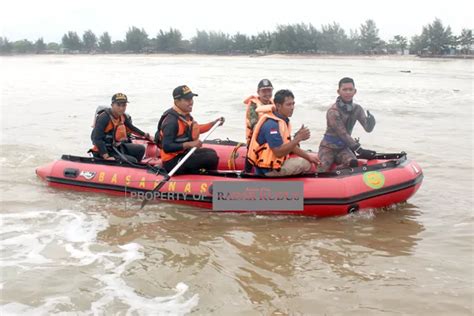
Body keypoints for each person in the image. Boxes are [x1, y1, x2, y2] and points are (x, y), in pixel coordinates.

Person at [247, 89, 320, 177]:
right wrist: (298, 139)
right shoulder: (272, 125)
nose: (292, 107)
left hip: (273, 164)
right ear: (278, 106)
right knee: (306, 163)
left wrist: (308, 156)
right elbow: (278, 152)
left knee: (306, 159)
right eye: (288, 104)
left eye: (293, 104)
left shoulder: (281, 120)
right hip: (268, 169)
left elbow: (287, 144)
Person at [155, 85, 224, 174]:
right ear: (177, 101)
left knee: (211, 152)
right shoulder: (171, 122)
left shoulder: (184, 115)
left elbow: (193, 130)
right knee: (210, 157)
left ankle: (205, 175)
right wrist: (189, 144)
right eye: (187, 100)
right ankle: (206, 179)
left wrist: (212, 124)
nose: (191, 102)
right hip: (172, 162)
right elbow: (167, 147)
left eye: (191, 99)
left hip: (182, 154)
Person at [318, 77, 377, 172]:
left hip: (343, 148)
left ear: (355, 91)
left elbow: (367, 129)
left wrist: (371, 123)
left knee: (353, 163)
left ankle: (337, 176)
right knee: (322, 169)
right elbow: (343, 133)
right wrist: (360, 150)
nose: (348, 92)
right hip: (328, 147)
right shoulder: (333, 111)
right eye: (345, 89)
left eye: (350, 89)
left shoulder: (357, 109)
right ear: (338, 91)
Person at [90, 93, 152, 163]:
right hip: (104, 151)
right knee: (132, 160)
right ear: (112, 105)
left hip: (116, 147)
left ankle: (136, 168)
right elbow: (97, 139)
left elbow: (132, 128)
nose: (121, 108)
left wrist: (147, 135)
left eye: (124, 105)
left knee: (140, 149)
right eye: (118, 105)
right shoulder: (104, 118)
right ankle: (128, 167)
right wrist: (106, 156)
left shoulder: (123, 116)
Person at [243, 79, 275, 146]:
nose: (267, 94)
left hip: (273, 136)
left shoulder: (274, 104)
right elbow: (255, 127)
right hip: (256, 141)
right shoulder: (253, 105)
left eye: (269, 90)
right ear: (258, 92)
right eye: (264, 91)